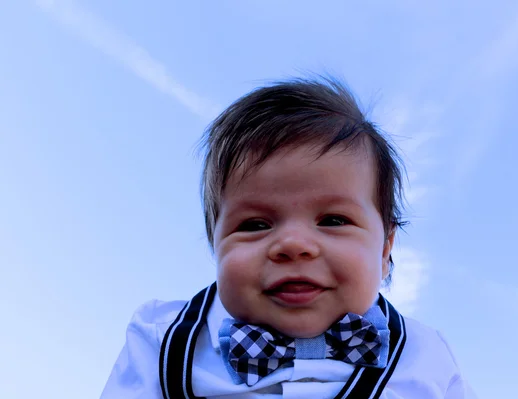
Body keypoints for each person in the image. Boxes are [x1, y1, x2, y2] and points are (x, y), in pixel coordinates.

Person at [100, 77, 476, 398]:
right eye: (255, 225)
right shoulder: (162, 338)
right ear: (215, 243)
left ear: (385, 249)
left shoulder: (425, 357)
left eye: (332, 219)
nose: (293, 244)